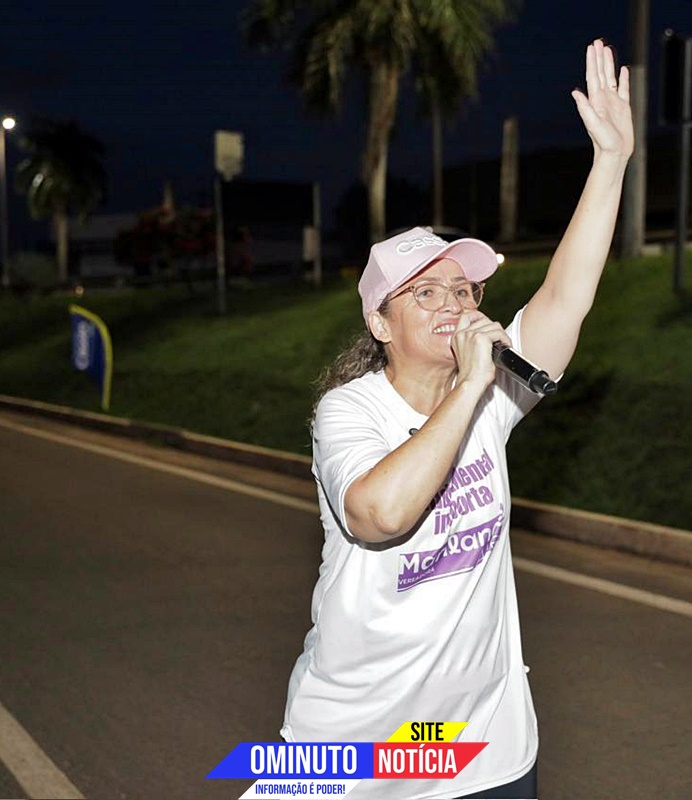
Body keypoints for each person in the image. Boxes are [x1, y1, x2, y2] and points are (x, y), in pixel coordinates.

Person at [280, 41, 632, 800]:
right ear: (380, 322)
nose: (456, 307)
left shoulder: (490, 390)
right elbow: (377, 515)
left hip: (481, 740)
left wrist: (610, 163)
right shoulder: (348, 411)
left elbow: (566, 298)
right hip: (359, 742)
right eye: (427, 296)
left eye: (463, 292)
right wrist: (472, 388)